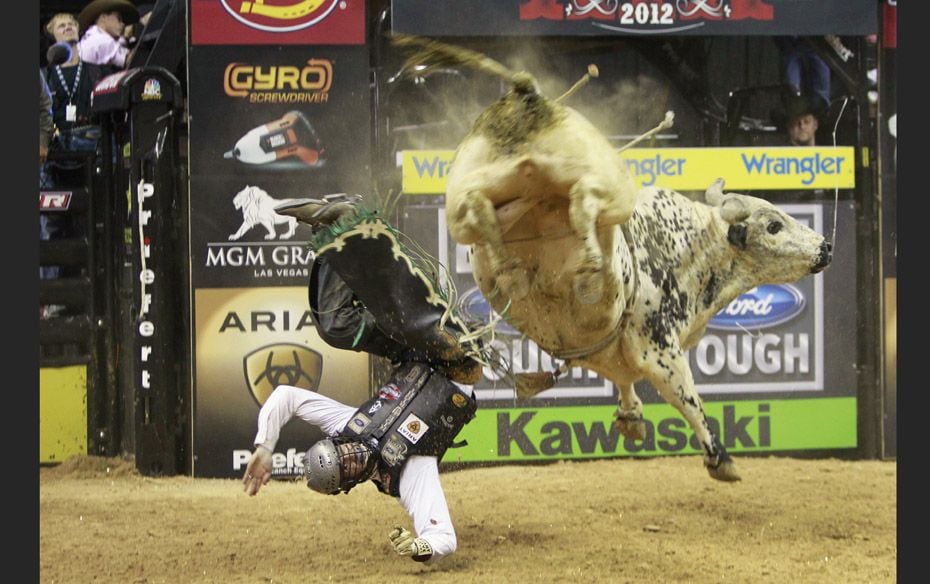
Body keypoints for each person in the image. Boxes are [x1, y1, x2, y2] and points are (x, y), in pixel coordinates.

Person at [241, 197, 490, 564]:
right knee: (403, 319)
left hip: (413, 354)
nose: (349, 457)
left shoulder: (348, 426)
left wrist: (264, 446)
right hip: (458, 363)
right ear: (348, 483)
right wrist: (422, 547)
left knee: (336, 327)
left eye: (340, 453)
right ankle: (365, 232)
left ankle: (335, 231)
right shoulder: (405, 473)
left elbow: (285, 397)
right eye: (346, 467)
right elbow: (443, 537)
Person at [77, 0, 145, 71]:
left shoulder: (93, 36)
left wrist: (125, 38)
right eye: (118, 19)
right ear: (103, 18)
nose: (123, 24)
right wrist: (143, 24)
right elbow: (132, 60)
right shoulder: (102, 40)